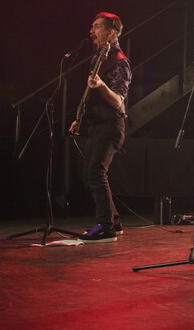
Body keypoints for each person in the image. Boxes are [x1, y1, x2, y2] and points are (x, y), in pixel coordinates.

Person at [69, 13, 131, 243]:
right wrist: (80, 118)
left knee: (96, 173)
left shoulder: (120, 61)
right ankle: (114, 222)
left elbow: (117, 101)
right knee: (90, 175)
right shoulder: (98, 57)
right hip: (97, 123)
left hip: (111, 124)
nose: (91, 31)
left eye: (96, 27)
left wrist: (102, 85)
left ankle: (106, 228)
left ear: (110, 32)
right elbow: (91, 93)